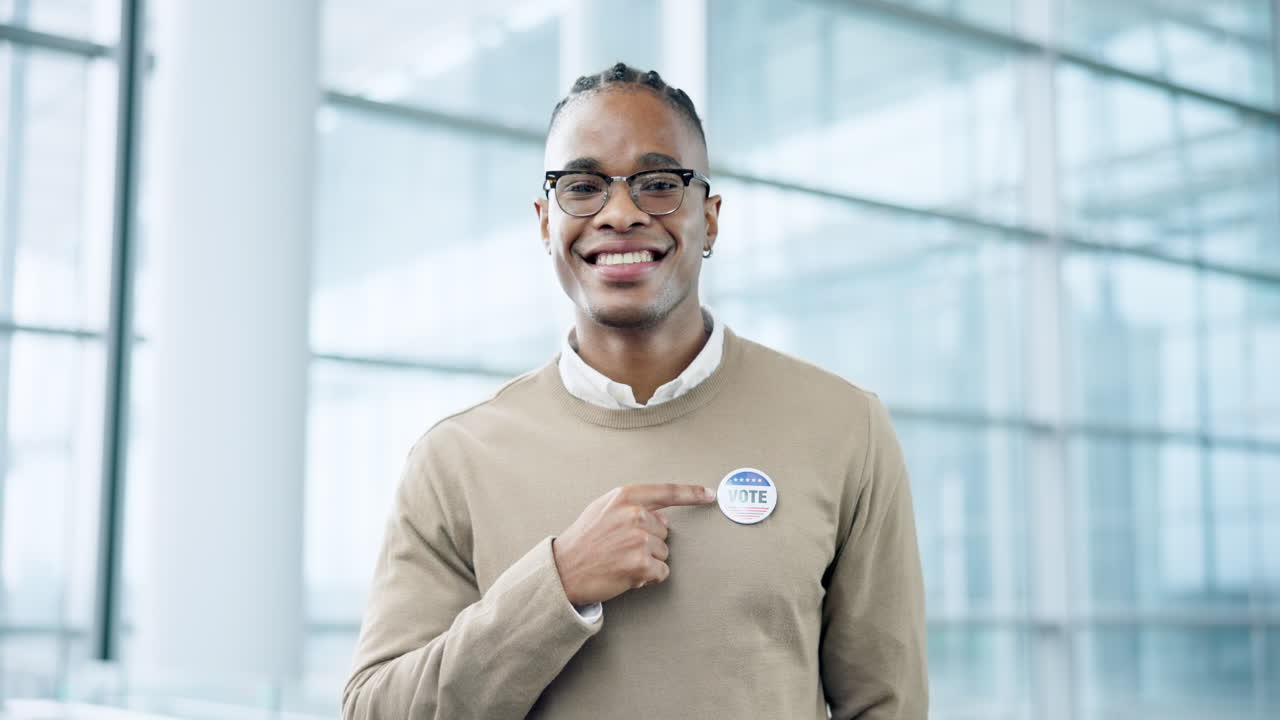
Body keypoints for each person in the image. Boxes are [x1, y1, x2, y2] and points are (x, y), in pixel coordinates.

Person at [342, 62, 927, 720]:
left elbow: (887, 705)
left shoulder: (845, 427)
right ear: (544, 222)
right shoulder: (455, 458)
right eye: (583, 186)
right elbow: (375, 711)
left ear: (710, 218)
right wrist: (557, 586)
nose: (619, 213)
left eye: (657, 184)